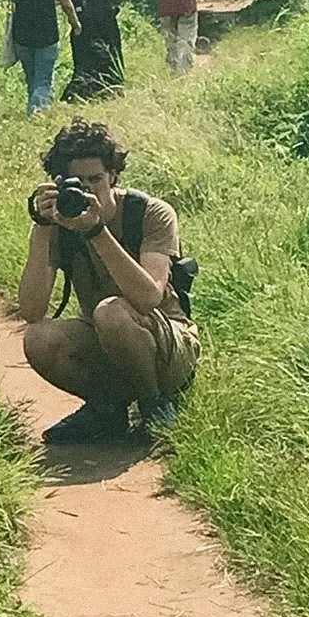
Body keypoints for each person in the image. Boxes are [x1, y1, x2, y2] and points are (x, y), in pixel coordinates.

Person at [18, 118, 199, 444]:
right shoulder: (60, 221)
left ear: (113, 176)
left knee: (111, 312)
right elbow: (32, 310)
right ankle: (106, 411)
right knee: (38, 338)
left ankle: (154, 405)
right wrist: (42, 226)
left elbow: (148, 297)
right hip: (108, 343)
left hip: (169, 345)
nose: (89, 190)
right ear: (59, 183)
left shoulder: (151, 214)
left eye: (96, 179)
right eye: (79, 183)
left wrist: (95, 231)